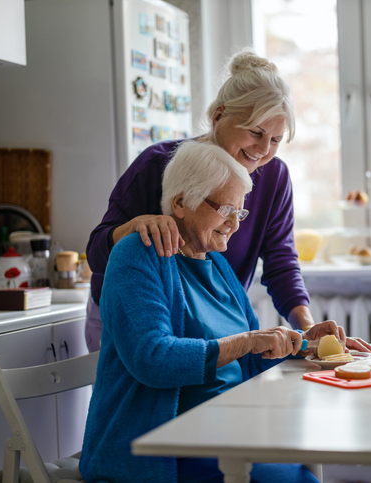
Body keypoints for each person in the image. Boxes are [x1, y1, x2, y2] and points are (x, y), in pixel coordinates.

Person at [85, 48, 371, 355]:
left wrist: (306, 328)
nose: (264, 149)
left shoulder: (273, 176)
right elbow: (96, 253)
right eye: (256, 132)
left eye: (276, 139)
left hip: (207, 325)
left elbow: (280, 261)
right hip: (134, 323)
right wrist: (133, 226)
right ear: (218, 115)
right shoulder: (158, 164)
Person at [79, 142, 339, 482]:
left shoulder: (218, 264)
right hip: (160, 448)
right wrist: (247, 341)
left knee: (301, 467)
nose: (234, 224)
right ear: (181, 202)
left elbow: (250, 359)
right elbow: (152, 358)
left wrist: (304, 344)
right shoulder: (138, 255)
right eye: (224, 209)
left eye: (240, 212)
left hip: (226, 432)